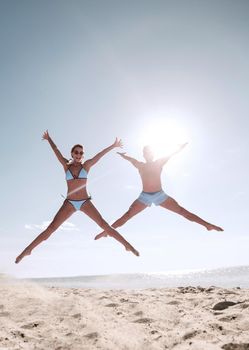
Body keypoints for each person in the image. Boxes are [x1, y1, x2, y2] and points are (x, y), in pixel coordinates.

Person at [15, 130, 139, 264]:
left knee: (104, 224)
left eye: (81, 153)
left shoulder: (86, 166)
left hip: (85, 202)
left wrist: (113, 146)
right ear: (72, 154)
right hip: (70, 203)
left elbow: (99, 156)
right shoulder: (65, 166)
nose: (79, 155)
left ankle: (127, 245)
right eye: (76, 152)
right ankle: (27, 250)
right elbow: (56, 151)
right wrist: (49, 139)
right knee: (51, 229)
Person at [95, 143, 223, 241]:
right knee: (127, 216)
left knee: (182, 212)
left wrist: (180, 148)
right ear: (144, 155)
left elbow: (172, 154)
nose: (148, 154)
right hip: (144, 196)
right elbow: (131, 159)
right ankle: (107, 231)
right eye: (146, 152)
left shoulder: (159, 162)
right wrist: (123, 156)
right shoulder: (140, 165)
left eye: (150, 152)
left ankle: (207, 225)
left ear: (153, 154)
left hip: (160, 195)